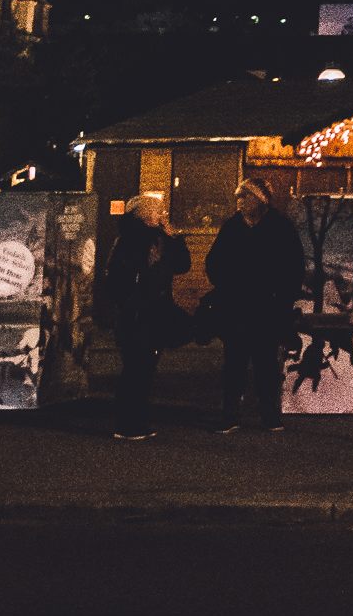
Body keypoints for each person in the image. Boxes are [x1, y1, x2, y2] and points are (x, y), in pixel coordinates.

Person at [205, 179, 304, 432]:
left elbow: (294, 266)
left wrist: (281, 298)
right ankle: (230, 414)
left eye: (244, 197)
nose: (239, 202)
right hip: (236, 306)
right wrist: (226, 287)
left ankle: (269, 414)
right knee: (234, 363)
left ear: (260, 200)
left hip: (267, 307)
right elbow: (214, 262)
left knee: (266, 363)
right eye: (237, 197)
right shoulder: (232, 227)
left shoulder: (280, 227)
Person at [96, 194, 191, 440]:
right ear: (143, 215)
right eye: (157, 211)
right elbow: (119, 278)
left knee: (146, 367)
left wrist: (175, 239)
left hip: (155, 312)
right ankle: (127, 423)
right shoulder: (129, 239)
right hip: (135, 314)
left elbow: (182, 266)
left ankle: (138, 419)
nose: (162, 215)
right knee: (135, 367)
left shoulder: (160, 238)